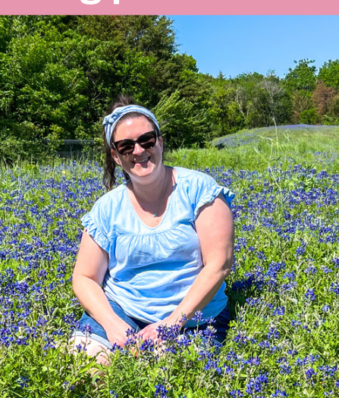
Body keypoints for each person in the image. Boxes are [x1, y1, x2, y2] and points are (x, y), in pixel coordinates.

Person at [71, 99, 235, 360]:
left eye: (146, 140)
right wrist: (114, 325)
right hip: (122, 311)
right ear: (115, 155)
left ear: (160, 141)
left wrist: (171, 324)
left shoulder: (200, 189)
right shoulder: (106, 208)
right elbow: (84, 277)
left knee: (165, 376)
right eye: (126, 146)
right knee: (83, 368)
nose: (138, 150)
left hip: (194, 318)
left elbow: (219, 264)